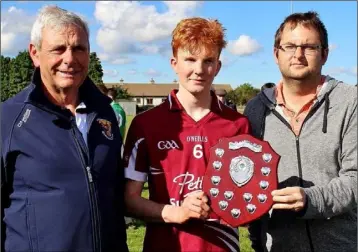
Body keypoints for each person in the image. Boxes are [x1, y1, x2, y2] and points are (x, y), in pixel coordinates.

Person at [1, 6, 128, 252]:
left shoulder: (105, 112)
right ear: (35, 54)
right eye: (58, 49)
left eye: (79, 48)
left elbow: (114, 195)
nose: (70, 59)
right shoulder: (9, 119)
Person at [123, 17, 250, 251]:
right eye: (190, 59)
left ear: (218, 66)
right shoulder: (145, 124)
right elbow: (128, 200)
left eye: (208, 60)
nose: (199, 70)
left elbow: (247, 199)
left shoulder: (238, 125)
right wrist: (176, 212)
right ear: (174, 63)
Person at [244, 11, 357, 252]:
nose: (298, 55)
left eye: (309, 47)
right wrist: (258, 243)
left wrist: (310, 200)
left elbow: (356, 178)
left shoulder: (350, 102)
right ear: (276, 54)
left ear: (324, 54)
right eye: (290, 46)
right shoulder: (255, 110)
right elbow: (251, 184)